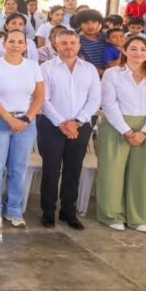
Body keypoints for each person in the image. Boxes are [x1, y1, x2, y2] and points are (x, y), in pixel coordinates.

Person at [97, 36, 146, 232]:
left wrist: (144, 132)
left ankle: (138, 218)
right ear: (124, 51)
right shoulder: (112, 74)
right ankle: (112, 215)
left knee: (143, 174)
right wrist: (126, 130)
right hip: (117, 126)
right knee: (112, 172)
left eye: (143, 50)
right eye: (134, 48)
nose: (138, 53)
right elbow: (108, 104)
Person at [38, 30, 101, 230]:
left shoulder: (89, 69)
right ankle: (48, 212)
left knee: (73, 170)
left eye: (73, 43)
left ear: (79, 45)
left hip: (80, 127)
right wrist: (62, 123)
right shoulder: (46, 68)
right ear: (56, 45)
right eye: (64, 43)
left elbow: (95, 99)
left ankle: (68, 212)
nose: (68, 46)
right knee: (51, 170)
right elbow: (43, 99)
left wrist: (77, 122)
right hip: (51, 126)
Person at [0, 29, 45, 228]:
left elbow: (40, 96)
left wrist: (26, 119)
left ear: (26, 45)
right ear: (4, 44)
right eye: (12, 41)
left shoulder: (33, 66)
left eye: (20, 42)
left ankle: (14, 210)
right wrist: (9, 118)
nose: (16, 45)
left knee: (18, 169)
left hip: (26, 123)